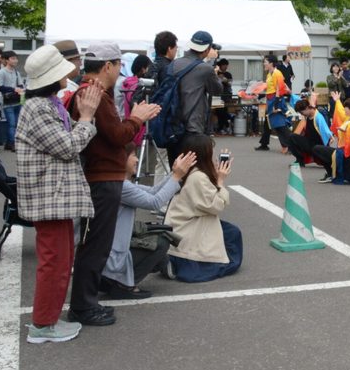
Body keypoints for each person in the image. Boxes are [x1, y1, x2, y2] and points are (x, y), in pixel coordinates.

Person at [67, 41, 161, 327]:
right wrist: (137, 118)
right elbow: (117, 135)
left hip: (98, 175)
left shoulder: (87, 92)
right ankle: (83, 306)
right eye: (119, 65)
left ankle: (87, 302)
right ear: (108, 66)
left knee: (94, 244)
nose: (120, 72)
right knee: (95, 245)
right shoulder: (95, 94)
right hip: (102, 178)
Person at [17, 45, 103, 343]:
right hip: (49, 197)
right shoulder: (39, 107)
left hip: (55, 197)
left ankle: (48, 320)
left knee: (61, 259)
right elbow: (67, 147)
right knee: (54, 261)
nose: (70, 72)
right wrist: (88, 117)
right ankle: (43, 325)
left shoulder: (48, 103)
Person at [100, 148, 196, 298]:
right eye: (132, 155)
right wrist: (177, 176)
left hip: (106, 253)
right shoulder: (121, 186)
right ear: (120, 159)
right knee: (162, 242)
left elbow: (152, 191)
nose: (137, 160)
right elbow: (155, 202)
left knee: (158, 239)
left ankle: (117, 281)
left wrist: (173, 173)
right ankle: (123, 285)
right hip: (110, 257)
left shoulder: (117, 182)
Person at [165, 134, 242, 283]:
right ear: (204, 154)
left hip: (180, 227)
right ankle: (179, 266)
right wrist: (220, 180)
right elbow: (216, 205)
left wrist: (214, 174)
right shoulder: (198, 177)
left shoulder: (187, 171)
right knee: (231, 238)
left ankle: (175, 263)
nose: (213, 154)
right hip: (189, 230)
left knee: (230, 232)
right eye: (211, 150)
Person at [165, 31, 222, 164]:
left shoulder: (174, 64)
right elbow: (217, 89)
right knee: (194, 171)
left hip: (173, 127)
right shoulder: (205, 69)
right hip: (193, 128)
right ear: (207, 49)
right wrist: (213, 69)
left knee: (176, 172)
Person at [287, 98, 334, 179]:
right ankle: (300, 161)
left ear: (307, 108)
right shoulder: (307, 116)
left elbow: (325, 130)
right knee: (292, 137)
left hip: (317, 146)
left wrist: (330, 137)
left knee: (316, 148)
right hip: (309, 142)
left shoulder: (318, 117)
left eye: (302, 112)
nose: (302, 114)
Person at [256, 54, 290, 151]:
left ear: (271, 63)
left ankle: (289, 145)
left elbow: (280, 89)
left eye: (265, 62)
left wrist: (275, 104)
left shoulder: (277, 73)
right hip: (270, 99)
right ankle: (264, 144)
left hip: (276, 99)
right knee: (268, 122)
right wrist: (258, 91)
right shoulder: (269, 74)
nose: (264, 64)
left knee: (279, 124)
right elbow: (269, 87)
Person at [0, 50, 24, 151]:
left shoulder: (16, 72)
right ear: (7, 60)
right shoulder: (2, 72)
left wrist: (20, 88)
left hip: (17, 100)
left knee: (16, 123)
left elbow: (20, 84)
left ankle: (9, 143)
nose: (16, 60)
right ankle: (12, 143)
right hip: (8, 102)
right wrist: (13, 89)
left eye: (16, 58)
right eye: (13, 58)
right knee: (11, 123)